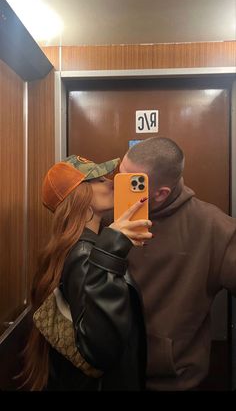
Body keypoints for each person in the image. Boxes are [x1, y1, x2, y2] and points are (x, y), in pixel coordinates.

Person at [19, 154, 152, 391]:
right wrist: (111, 251)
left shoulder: (80, 246)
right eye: (99, 179)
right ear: (79, 195)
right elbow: (101, 349)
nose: (111, 181)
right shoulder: (83, 252)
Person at [119, 136, 236, 391]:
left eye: (132, 183)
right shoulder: (109, 217)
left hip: (171, 380)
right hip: (110, 375)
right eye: (120, 177)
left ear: (160, 194)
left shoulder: (213, 227)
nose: (120, 189)